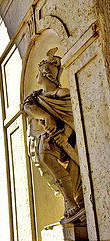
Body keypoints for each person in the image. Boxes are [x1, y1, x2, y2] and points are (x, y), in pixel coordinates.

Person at [23, 48, 85, 224]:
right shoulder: (35, 97)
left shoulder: (61, 94)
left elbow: (74, 115)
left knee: (63, 165)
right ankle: (70, 202)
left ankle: (72, 203)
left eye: (40, 71)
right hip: (47, 137)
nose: (36, 75)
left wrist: (65, 134)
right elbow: (28, 107)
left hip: (63, 138)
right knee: (45, 159)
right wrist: (46, 116)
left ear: (46, 74)